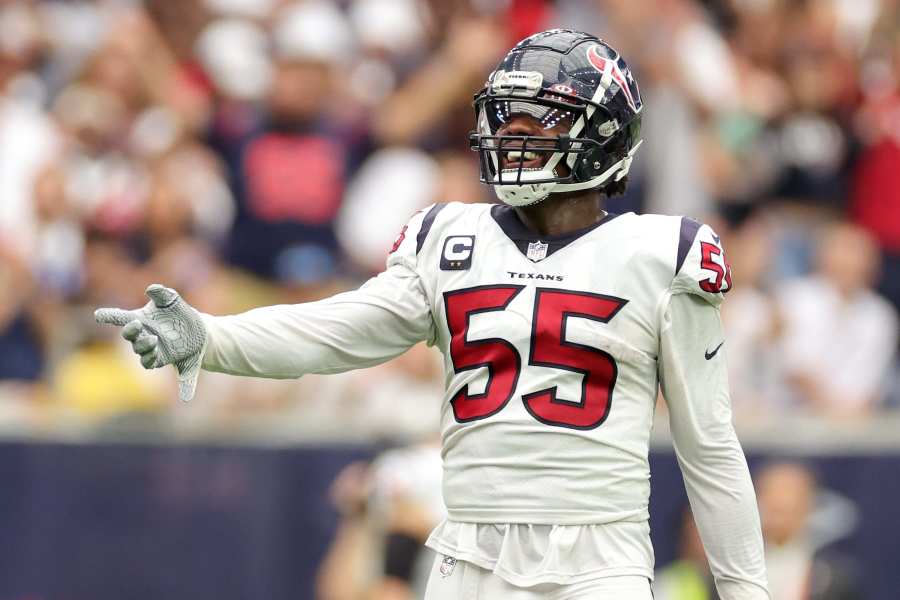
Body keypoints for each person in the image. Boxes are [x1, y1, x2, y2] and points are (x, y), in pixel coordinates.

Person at [95, 29, 768, 599]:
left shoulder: (659, 254)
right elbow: (339, 330)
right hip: (466, 553)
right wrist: (211, 336)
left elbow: (708, 446)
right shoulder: (449, 237)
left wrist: (747, 591)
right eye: (507, 116)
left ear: (606, 134)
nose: (515, 135)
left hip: (599, 560)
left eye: (542, 119)